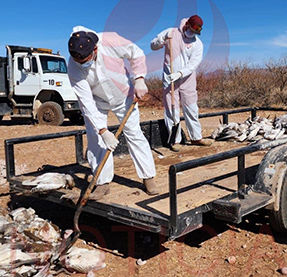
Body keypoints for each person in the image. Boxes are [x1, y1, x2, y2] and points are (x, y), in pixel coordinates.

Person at [67, 26, 158, 200]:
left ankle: (148, 177)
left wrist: (139, 79)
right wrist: (103, 130)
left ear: (95, 49)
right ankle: (102, 182)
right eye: (79, 62)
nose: (82, 64)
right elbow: (85, 101)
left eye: (85, 60)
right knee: (96, 138)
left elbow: (136, 53)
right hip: (96, 101)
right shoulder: (73, 65)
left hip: (123, 97)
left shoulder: (111, 41)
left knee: (134, 134)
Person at [150, 15, 212, 152]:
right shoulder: (171, 33)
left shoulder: (198, 43)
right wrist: (162, 39)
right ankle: (175, 140)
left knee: (191, 108)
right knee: (172, 109)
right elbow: (153, 46)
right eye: (192, 30)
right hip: (169, 80)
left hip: (187, 79)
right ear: (187, 25)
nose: (193, 34)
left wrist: (180, 73)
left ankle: (196, 137)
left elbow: (193, 64)